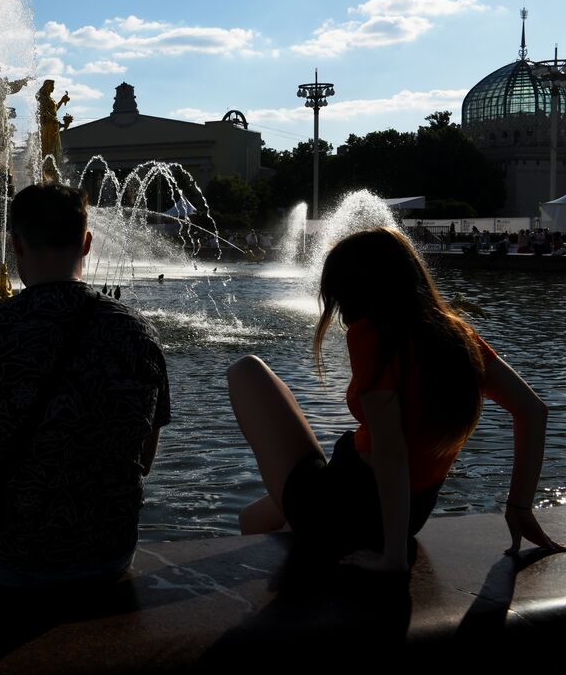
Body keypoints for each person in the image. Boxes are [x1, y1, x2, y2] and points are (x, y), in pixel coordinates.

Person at [227, 227, 560, 572]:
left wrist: (393, 556)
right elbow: (533, 411)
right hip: (409, 511)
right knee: (254, 517)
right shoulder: (457, 335)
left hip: (346, 504)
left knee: (246, 370)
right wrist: (520, 507)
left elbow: (390, 450)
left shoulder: (373, 335)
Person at [0, 183, 171, 586]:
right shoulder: (138, 334)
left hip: (8, 554)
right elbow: (142, 461)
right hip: (109, 553)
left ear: (16, 244)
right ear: (87, 244)